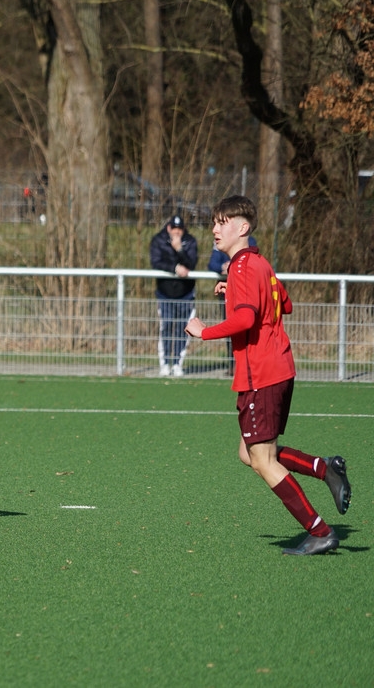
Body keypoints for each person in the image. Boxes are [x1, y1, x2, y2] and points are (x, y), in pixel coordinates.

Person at [185, 195, 351, 556]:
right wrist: (235, 290)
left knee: (262, 459)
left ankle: (320, 531)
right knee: (250, 454)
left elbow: (246, 319)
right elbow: (284, 303)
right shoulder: (259, 263)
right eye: (214, 222)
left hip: (261, 374)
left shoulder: (241, 267)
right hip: (278, 368)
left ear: (243, 227)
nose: (214, 229)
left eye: (222, 222)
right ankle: (325, 468)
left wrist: (204, 331)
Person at [150, 214, 198, 376]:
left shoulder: (190, 241)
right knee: (166, 326)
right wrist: (174, 268)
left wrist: (179, 250)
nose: (177, 232)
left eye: (180, 229)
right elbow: (156, 262)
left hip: (186, 293)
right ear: (169, 228)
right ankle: (164, 364)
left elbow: (191, 263)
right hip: (165, 292)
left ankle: (178, 363)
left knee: (182, 329)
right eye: (174, 228)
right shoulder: (158, 240)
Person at [208, 235, 256, 374]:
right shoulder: (220, 241)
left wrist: (234, 266)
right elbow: (212, 264)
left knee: (246, 327)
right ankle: (234, 363)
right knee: (230, 328)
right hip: (226, 293)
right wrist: (222, 267)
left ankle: (247, 364)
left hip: (245, 291)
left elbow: (251, 261)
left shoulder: (249, 241)